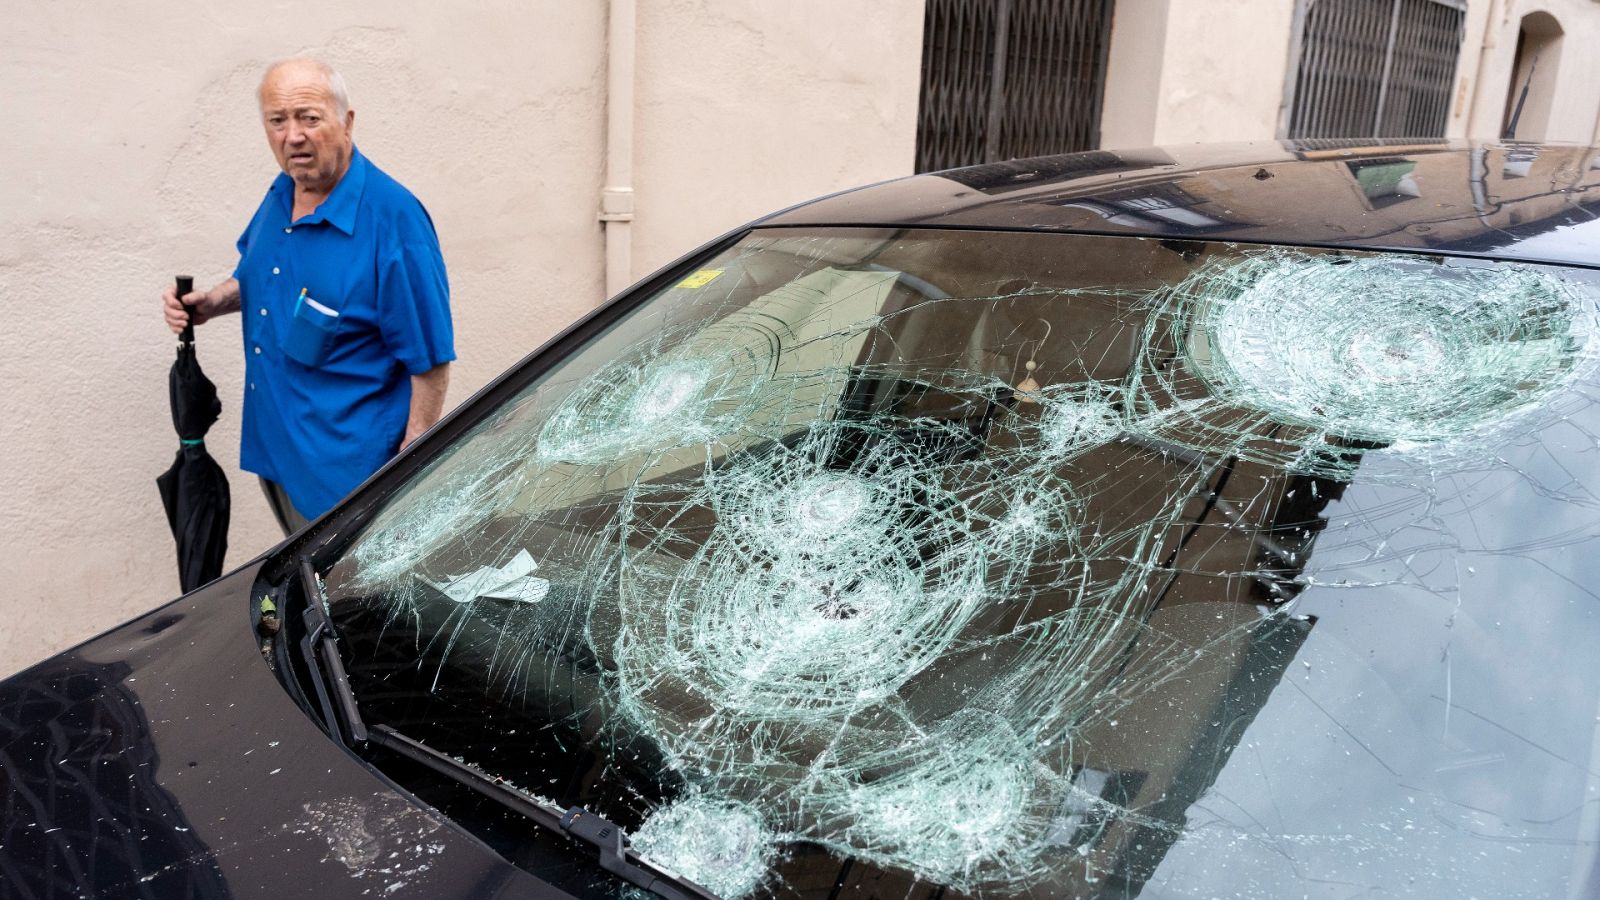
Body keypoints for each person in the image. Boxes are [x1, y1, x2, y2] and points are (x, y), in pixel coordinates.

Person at [162, 57, 454, 535]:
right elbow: (265, 279)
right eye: (277, 121)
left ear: (347, 121)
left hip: (350, 485)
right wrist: (214, 302)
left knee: (345, 607)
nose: (292, 136)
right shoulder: (282, 191)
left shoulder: (393, 220)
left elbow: (431, 361)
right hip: (276, 454)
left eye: (309, 118)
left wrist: (407, 472)